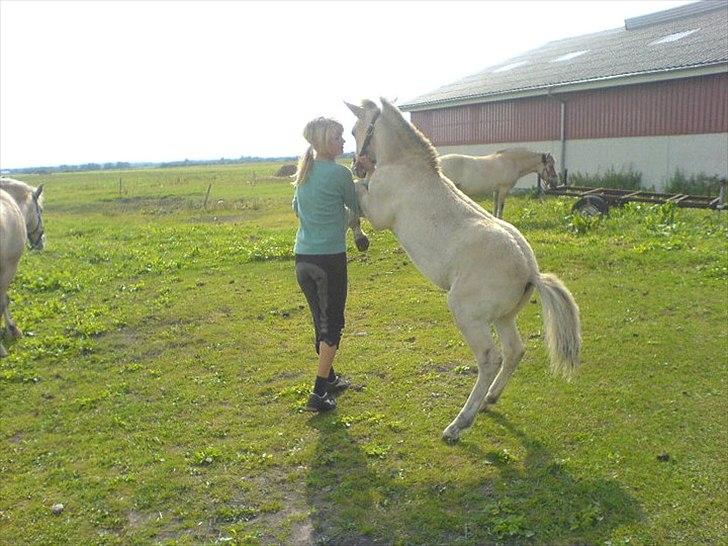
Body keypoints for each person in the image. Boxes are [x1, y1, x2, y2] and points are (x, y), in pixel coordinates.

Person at [292, 116, 362, 412]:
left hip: (303, 260)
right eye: (338, 137)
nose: (344, 142)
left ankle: (329, 377)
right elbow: (357, 208)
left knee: (319, 320)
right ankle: (318, 394)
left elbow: (297, 210)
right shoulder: (339, 174)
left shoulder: (303, 174)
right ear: (324, 142)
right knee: (332, 324)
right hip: (328, 260)